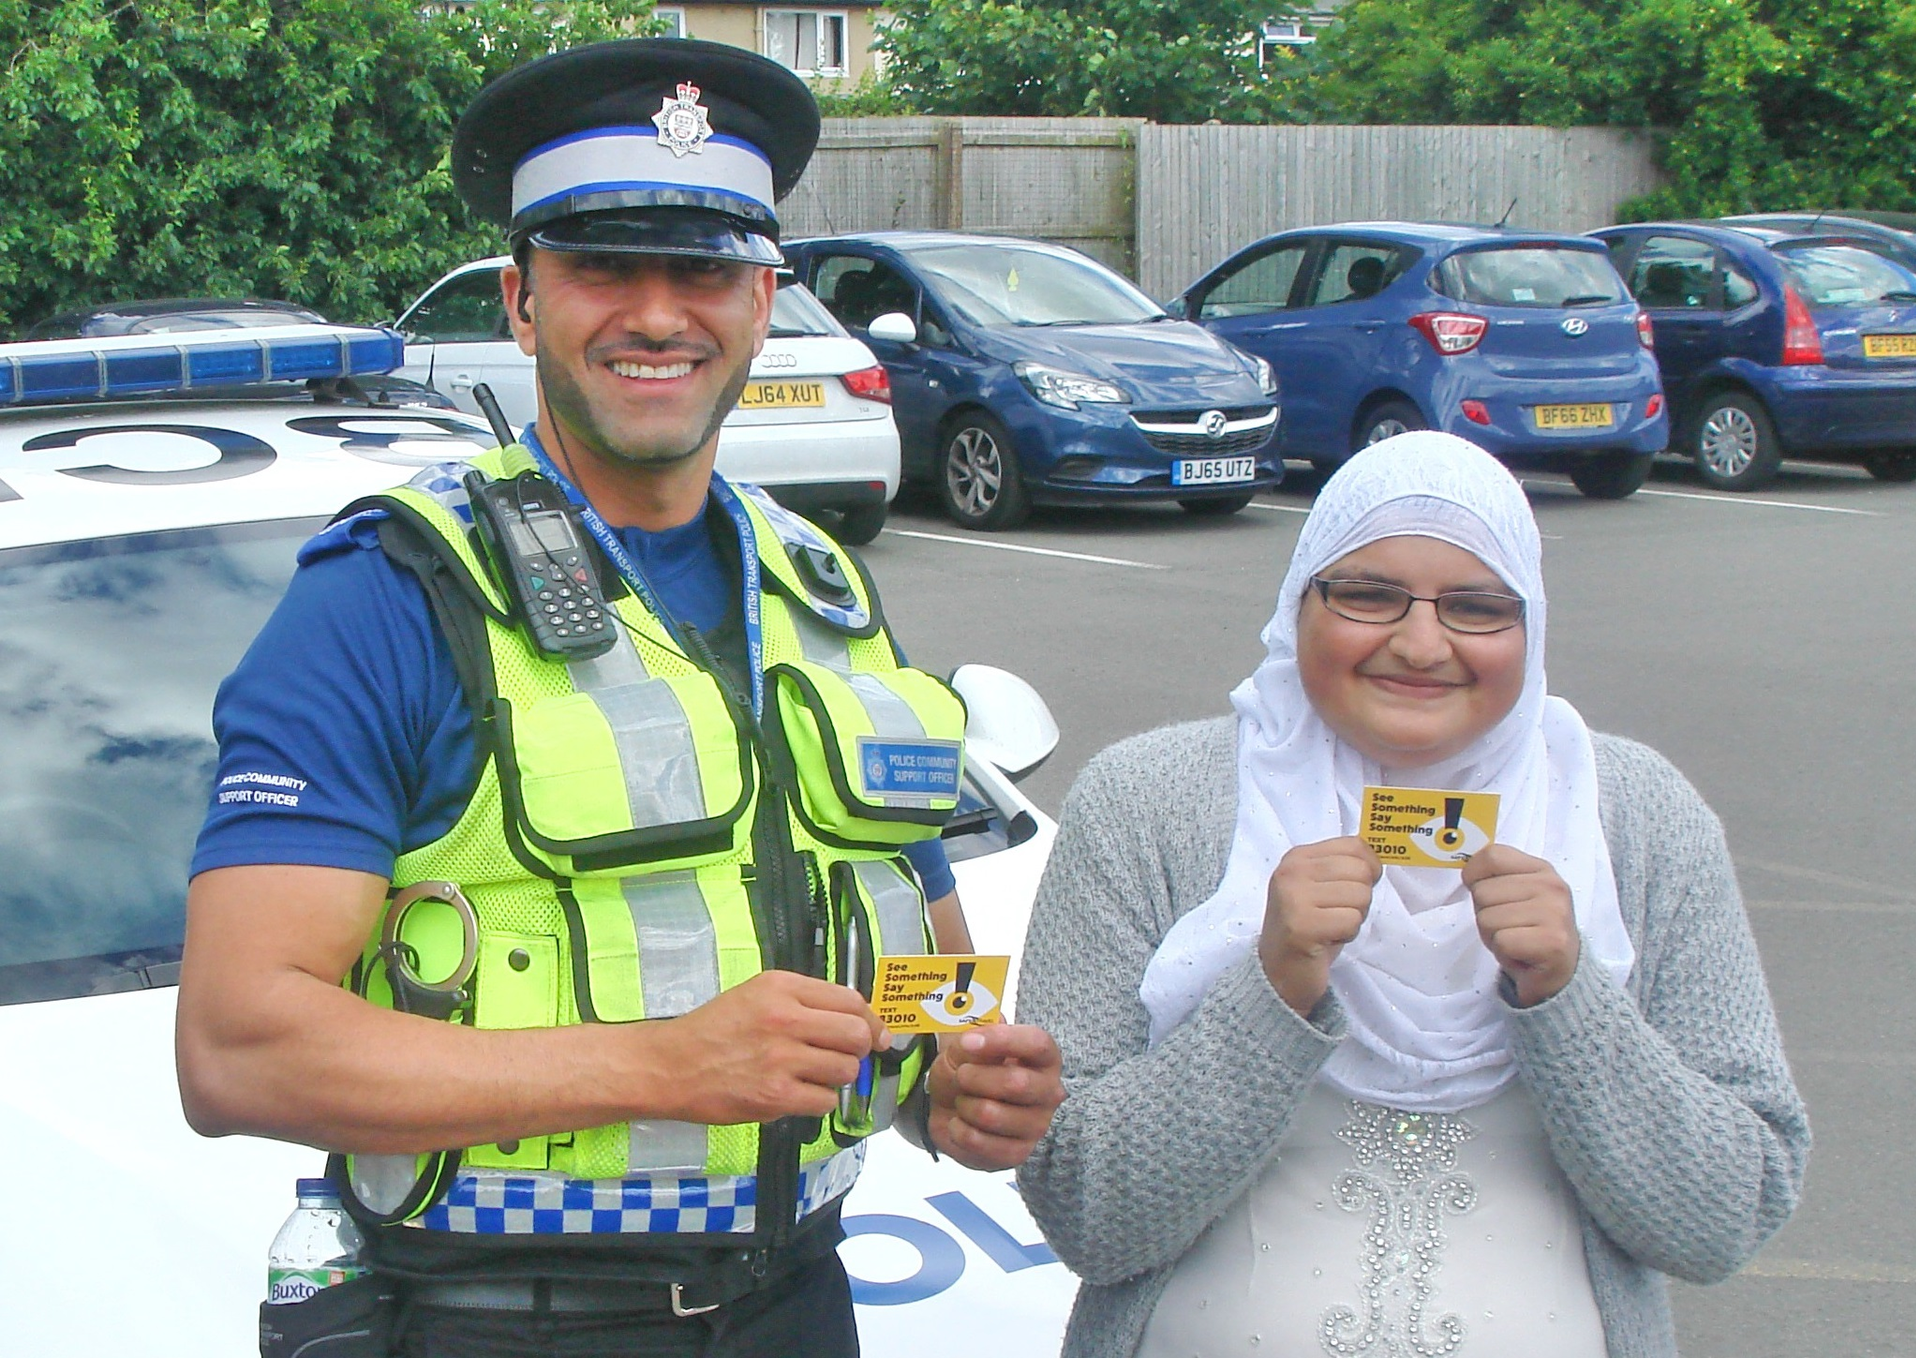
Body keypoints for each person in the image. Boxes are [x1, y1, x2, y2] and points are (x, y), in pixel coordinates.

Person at [176, 37, 1063, 1357]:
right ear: (523, 304)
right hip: (498, 1324)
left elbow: (908, 948)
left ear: (764, 300)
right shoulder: (389, 593)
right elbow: (235, 1050)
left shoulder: (817, 585)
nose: (658, 313)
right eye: (602, 265)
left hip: (799, 1308)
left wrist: (950, 1084)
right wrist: (656, 1064)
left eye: (703, 269)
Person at [1014, 432, 1808, 1358]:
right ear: (1296, 603)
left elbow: (1724, 1219)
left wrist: (1569, 996)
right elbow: (1086, 1214)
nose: (1421, 644)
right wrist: (1273, 987)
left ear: (1533, 627)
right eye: (1366, 594)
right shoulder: (1148, 803)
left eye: (1477, 608)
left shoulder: (1634, 818)